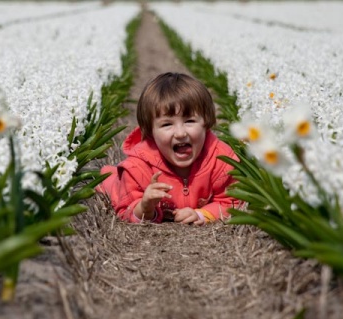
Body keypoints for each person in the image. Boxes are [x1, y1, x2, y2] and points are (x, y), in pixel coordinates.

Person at [96, 72, 239, 225]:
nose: (180, 133)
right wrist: (145, 207)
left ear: (206, 123)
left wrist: (202, 214)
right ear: (150, 132)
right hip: (122, 187)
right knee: (113, 186)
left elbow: (232, 202)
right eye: (167, 124)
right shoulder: (137, 168)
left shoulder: (222, 160)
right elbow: (125, 211)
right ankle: (109, 176)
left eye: (189, 121)